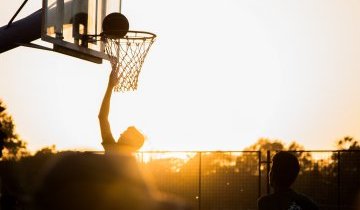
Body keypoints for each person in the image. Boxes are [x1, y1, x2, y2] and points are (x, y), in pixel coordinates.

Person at [98, 69, 145, 155]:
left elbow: (102, 117)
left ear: (130, 141)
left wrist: (110, 86)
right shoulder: (130, 163)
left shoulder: (113, 150)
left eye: (124, 134)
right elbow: (102, 118)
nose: (120, 135)